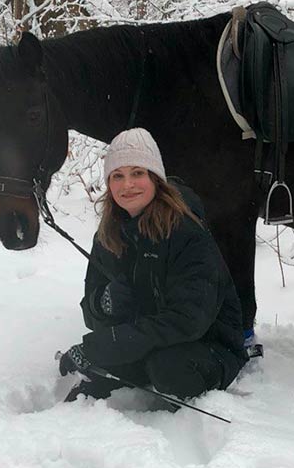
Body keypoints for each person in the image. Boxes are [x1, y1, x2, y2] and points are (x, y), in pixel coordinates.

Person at [58, 127, 246, 403]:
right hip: (151, 337)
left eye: (138, 173)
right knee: (103, 366)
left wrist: (105, 347)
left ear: (155, 179)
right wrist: (104, 302)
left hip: (209, 342)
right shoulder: (108, 234)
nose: (127, 185)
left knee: (168, 369)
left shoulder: (185, 230)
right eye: (117, 176)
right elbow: (90, 311)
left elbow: (189, 320)